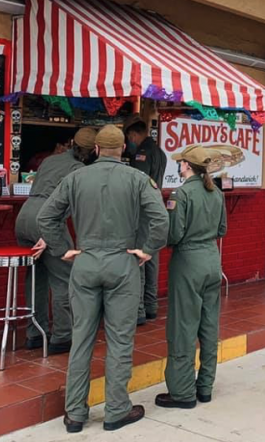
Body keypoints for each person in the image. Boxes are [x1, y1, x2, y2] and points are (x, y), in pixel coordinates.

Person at [37, 124, 168, 433]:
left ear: (95, 149)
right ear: (123, 149)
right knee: (120, 340)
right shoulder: (137, 179)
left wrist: (64, 250)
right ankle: (117, 410)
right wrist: (146, 251)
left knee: (81, 340)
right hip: (123, 263)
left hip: (85, 262)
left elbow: (46, 216)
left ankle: (75, 414)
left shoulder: (75, 178)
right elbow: (161, 219)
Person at [155, 145, 228, 409]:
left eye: (181, 162)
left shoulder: (181, 193)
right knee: (209, 326)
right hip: (211, 258)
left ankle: (182, 391)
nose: (179, 166)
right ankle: (205, 387)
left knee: (182, 326)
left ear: (186, 166)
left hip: (188, 261)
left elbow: (174, 234)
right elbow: (222, 228)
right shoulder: (216, 193)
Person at [16, 127, 97, 354]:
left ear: (72, 142)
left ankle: (34, 334)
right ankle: (62, 337)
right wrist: (47, 233)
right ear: (93, 151)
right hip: (46, 218)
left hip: (24, 216)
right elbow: (63, 205)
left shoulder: (50, 160)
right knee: (63, 276)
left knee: (35, 277)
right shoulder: (78, 169)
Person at [124, 113, 168, 325]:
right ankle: (151, 305)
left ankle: (139, 309)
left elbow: (137, 184)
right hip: (156, 208)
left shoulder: (142, 154)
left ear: (134, 134)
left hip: (143, 210)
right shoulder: (160, 152)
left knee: (140, 257)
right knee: (152, 258)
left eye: (130, 137)